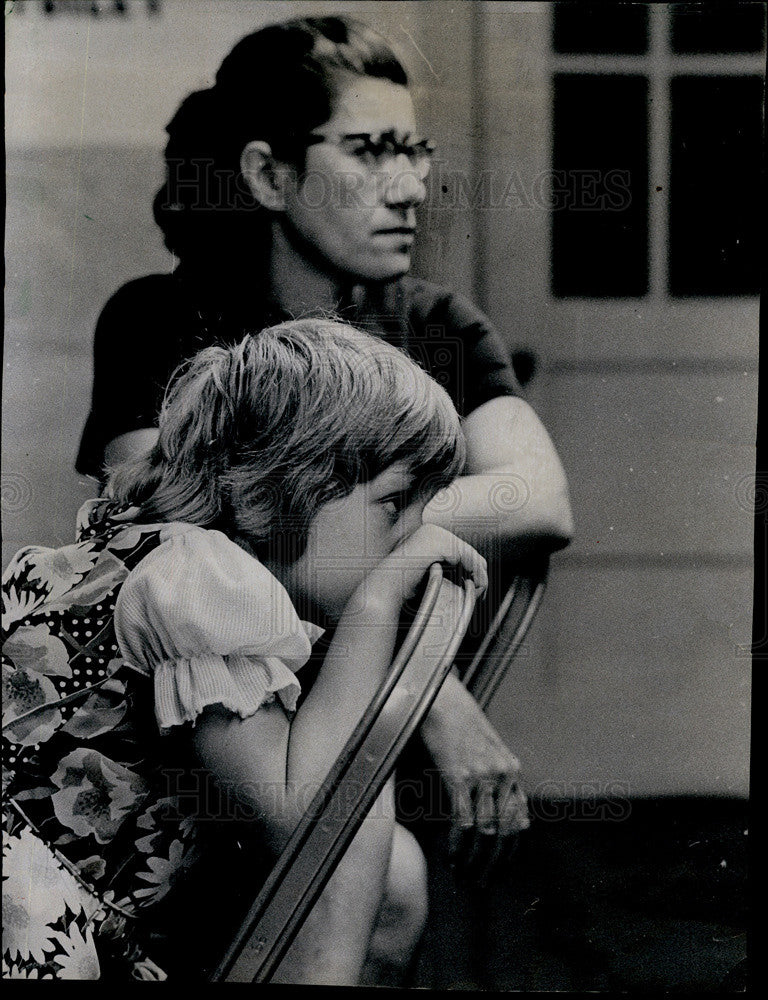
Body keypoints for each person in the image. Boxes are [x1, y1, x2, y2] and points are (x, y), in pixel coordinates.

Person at [75, 15, 573, 891]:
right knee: (382, 885)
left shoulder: (437, 326)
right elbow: (166, 517)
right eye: (372, 150)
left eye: (414, 150)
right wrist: (430, 694)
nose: (413, 184)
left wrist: (369, 531)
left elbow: (537, 495)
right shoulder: (158, 319)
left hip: (350, 728)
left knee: (385, 879)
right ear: (269, 173)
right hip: (188, 749)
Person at [3, 319, 508, 983]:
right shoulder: (202, 579)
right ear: (272, 493)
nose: (416, 531)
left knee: (392, 873)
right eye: (394, 502)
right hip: (30, 914)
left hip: (90, 893)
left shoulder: (188, 560)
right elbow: (303, 816)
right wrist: (375, 604)